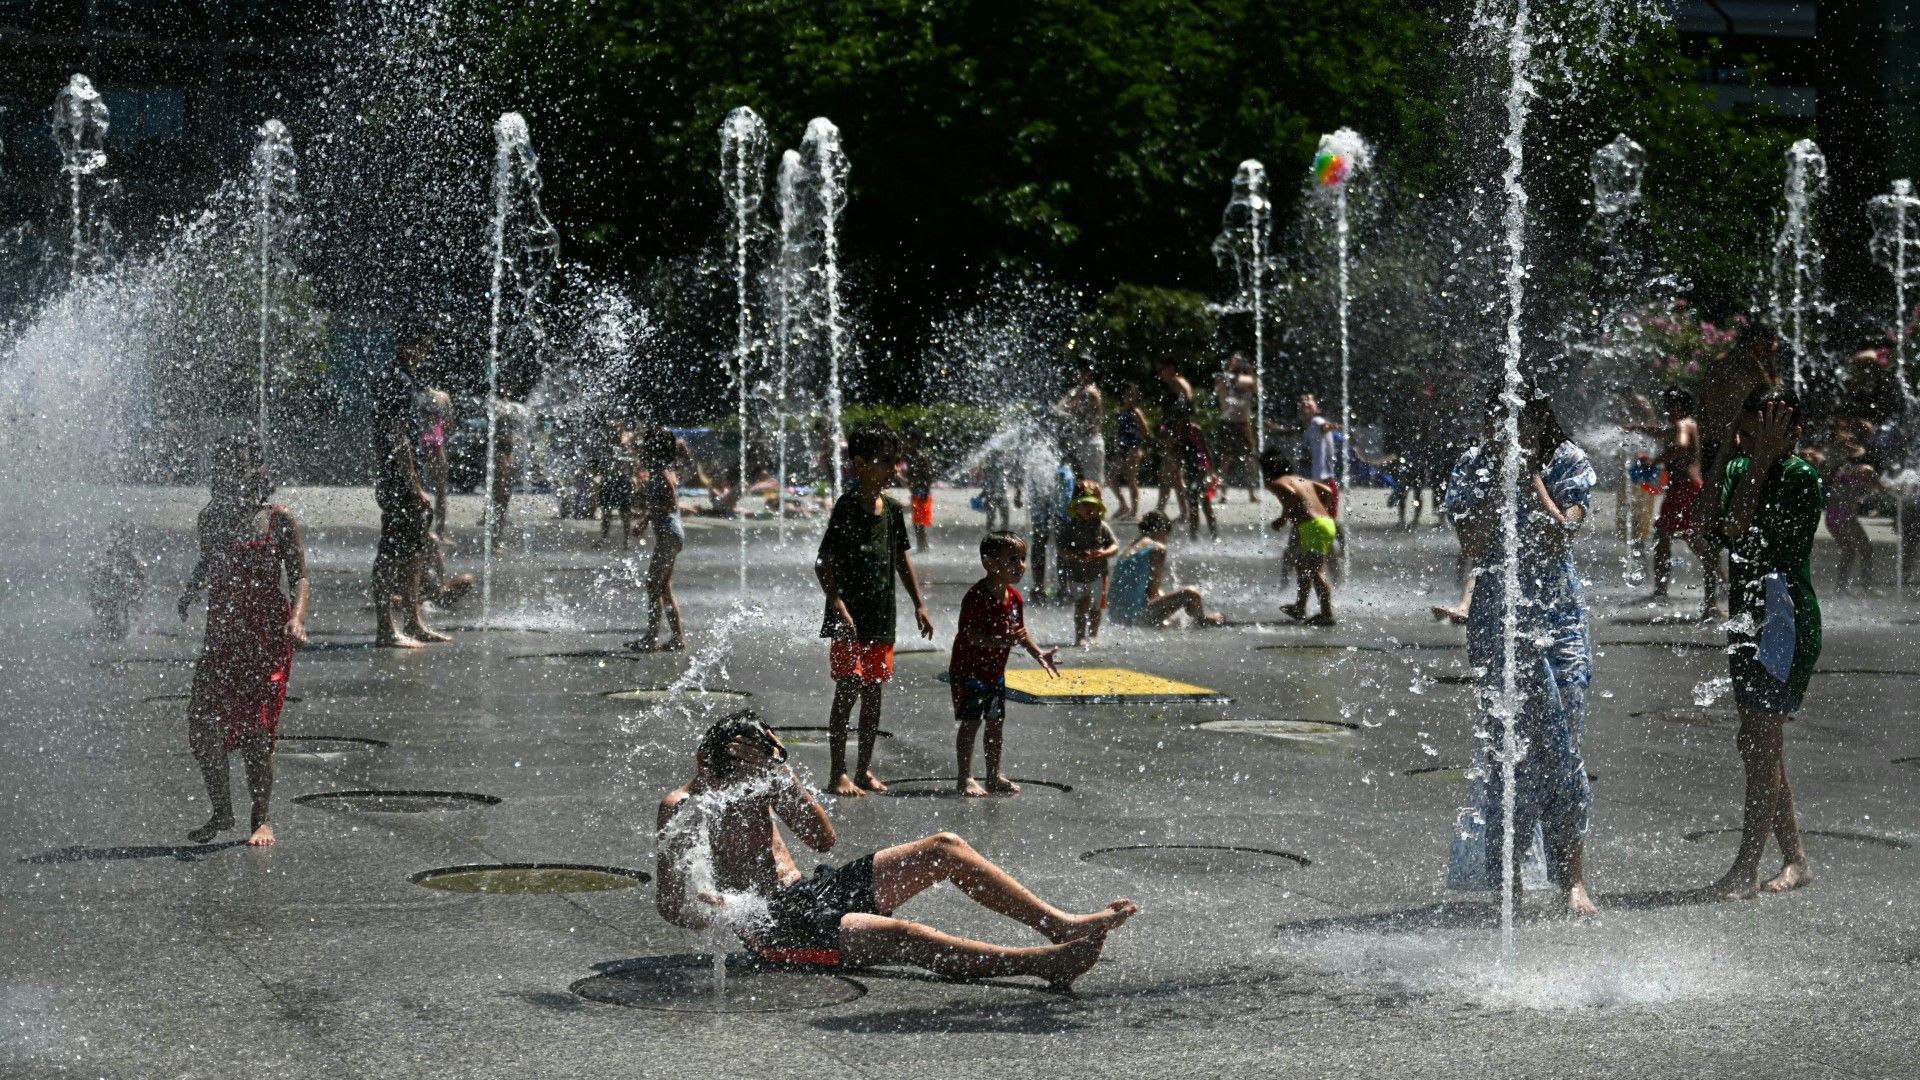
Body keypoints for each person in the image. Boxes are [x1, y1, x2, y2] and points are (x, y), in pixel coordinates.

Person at [656, 716, 1135, 988]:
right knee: (908, 935)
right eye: (747, 771)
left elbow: (823, 841)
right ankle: (1044, 962)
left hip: (809, 894)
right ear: (711, 763)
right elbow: (672, 906)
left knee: (945, 847)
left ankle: (1059, 924)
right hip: (776, 929)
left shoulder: (765, 780)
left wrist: (782, 776)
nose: (753, 782)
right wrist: (727, 911)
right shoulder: (683, 807)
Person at [1444, 392, 1599, 916]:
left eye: (1522, 421)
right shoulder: (1470, 467)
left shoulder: (1568, 461)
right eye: (1500, 421)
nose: (1511, 431)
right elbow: (1473, 543)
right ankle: (1506, 876)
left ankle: (1572, 878)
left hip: (1559, 620)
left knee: (1565, 744)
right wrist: (1502, 480)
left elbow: (1562, 537)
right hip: (1498, 620)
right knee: (1509, 745)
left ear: (1540, 422)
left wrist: (1530, 478)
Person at [1701, 385, 1824, 901]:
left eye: (1762, 434)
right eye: (1746, 432)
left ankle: (1748, 866)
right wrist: (1728, 452)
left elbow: (1736, 524)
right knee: (1756, 741)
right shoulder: (1737, 466)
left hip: (1783, 620)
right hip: (1748, 614)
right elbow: (1706, 525)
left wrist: (1754, 465)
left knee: (1761, 740)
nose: (1751, 443)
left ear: (1792, 434)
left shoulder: (1800, 478)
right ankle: (1796, 858)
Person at [178, 433, 310, 848]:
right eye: (225, 466)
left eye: (242, 465)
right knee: (202, 725)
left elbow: (301, 575)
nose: (233, 474)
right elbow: (209, 557)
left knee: (257, 732)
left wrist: (297, 620)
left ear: (259, 472)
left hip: (267, 638)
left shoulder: (278, 519)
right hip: (222, 637)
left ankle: (261, 819)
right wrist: (191, 588)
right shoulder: (210, 518)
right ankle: (221, 810)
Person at [816, 425, 934, 796]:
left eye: (894, 462)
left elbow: (901, 560)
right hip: (849, 619)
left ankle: (864, 769)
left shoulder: (894, 511)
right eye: (885, 462)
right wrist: (835, 601)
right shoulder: (847, 507)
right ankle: (838, 773)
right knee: (848, 691)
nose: (893, 471)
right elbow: (823, 561)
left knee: (873, 694)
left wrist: (919, 603)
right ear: (860, 464)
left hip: (882, 618)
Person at [949, 533, 1061, 795]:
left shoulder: (1015, 599)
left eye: (1023, 559)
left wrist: (1038, 653)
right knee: (971, 722)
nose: (1021, 565)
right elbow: (970, 635)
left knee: (996, 722)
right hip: (969, 672)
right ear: (989, 563)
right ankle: (965, 778)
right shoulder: (976, 597)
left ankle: (994, 775)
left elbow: (1020, 631)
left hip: (994, 673)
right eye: (1013, 559)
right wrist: (999, 642)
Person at [370, 329, 447, 648]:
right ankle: (386, 629)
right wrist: (414, 484)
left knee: (414, 552)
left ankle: (413, 622)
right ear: (405, 343)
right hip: (400, 481)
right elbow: (396, 434)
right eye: (420, 345)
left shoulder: (406, 379)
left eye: (426, 347)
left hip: (404, 478)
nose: (423, 353)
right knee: (391, 553)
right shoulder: (396, 381)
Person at [1629, 386, 1722, 618]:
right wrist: (1637, 428)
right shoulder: (1685, 424)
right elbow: (1662, 433)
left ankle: (1711, 600)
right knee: (1671, 539)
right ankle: (1702, 596)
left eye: (1670, 406)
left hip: (1687, 490)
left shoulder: (1685, 423)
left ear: (1680, 406)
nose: (1667, 411)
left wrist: (1654, 462)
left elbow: (1679, 445)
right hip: (1682, 490)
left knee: (1692, 542)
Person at [1108, 511, 1224, 628]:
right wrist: (1169, 618)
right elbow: (1153, 593)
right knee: (1191, 593)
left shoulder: (1129, 548)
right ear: (1163, 529)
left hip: (1116, 617)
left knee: (1164, 595)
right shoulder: (1157, 548)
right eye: (1167, 534)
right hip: (1135, 618)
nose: (1166, 539)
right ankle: (1203, 620)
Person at [1262, 451, 1337, 626]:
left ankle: (1326, 614)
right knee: (1302, 565)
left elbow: (1293, 496)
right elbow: (1327, 491)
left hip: (1313, 527)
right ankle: (1299, 607)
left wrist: (1283, 518)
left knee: (1316, 570)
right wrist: (1318, 509)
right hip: (1325, 523)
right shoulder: (1300, 479)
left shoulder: (1276, 483)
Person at [629, 427, 685, 652]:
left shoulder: (662, 472)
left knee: (653, 585)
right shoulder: (663, 470)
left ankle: (651, 638)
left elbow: (670, 501)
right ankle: (677, 639)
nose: (642, 448)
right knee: (663, 588)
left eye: (646, 445)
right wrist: (645, 520)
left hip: (669, 535)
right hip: (672, 533)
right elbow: (664, 504)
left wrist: (650, 510)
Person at [1057, 485, 1120, 646]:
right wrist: (1076, 555)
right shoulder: (1070, 528)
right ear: (1076, 507)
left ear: (1099, 507)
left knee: (1096, 607)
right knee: (1081, 603)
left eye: (1093, 505)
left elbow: (1115, 546)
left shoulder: (1102, 527)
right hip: (1076, 574)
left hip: (1099, 573)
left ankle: (1093, 635)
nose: (1089, 508)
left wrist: (1103, 553)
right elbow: (1061, 550)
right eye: (1084, 505)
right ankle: (1079, 636)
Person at [1821, 438, 1879, 590]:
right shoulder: (1866, 469)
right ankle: (1867, 587)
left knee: (1849, 551)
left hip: (1832, 517)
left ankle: (1840, 588)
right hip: (1846, 517)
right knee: (1866, 549)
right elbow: (1882, 488)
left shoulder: (1842, 469)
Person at [1162, 395, 1218, 540]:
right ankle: (1193, 536)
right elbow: (1175, 453)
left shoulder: (1195, 430)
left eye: (1184, 418)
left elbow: (1206, 450)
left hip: (1201, 469)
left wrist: (1212, 471)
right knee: (1192, 504)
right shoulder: (1176, 433)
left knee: (1204, 503)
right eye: (1179, 418)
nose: (1182, 421)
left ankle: (1214, 535)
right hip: (1189, 470)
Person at [88, 521, 148, 641]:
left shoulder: (132, 560)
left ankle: (118, 620)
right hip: (113, 593)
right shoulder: (105, 559)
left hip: (118, 593)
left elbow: (141, 582)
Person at [1214, 354, 1260, 503]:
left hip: (1243, 423)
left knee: (1249, 459)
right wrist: (1230, 372)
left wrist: (1250, 371)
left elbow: (1257, 389)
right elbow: (1218, 388)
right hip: (1228, 422)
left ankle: (1252, 493)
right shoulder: (1224, 378)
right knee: (1225, 460)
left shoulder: (1247, 381)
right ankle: (1223, 494)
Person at [1152, 359, 1194, 520]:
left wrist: (1177, 437)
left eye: (1161, 369)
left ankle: (1160, 510)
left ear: (1170, 367)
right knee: (1176, 477)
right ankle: (1185, 513)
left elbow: (1187, 411)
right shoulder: (1176, 385)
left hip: (1179, 436)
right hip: (1176, 435)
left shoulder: (1180, 385)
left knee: (1165, 473)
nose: (1159, 374)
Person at [1054, 365, 1106, 485]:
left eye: (1082, 372)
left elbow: (1071, 409)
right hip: (1079, 441)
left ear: (1089, 374)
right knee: (1079, 483)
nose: (1078, 374)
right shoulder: (1074, 391)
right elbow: (1059, 408)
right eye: (1078, 371)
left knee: (1092, 484)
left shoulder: (1091, 392)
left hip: (1091, 442)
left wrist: (1060, 409)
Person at [1110, 383, 1149, 521]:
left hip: (1133, 449)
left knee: (1131, 480)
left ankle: (1134, 511)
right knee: (1111, 477)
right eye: (1127, 395)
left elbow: (1145, 431)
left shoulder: (1136, 412)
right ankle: (1123, 504)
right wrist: (1117, 446)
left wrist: (1136, 446)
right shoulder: (1120, 412)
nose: (1129, 398)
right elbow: (1118, 431)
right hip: (1122, 449)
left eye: (1132, 395)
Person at [598, 418, 638, 550]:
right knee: (606, 511)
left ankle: (627, 540)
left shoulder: (629, 438)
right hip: (609, 479)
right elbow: (605, 460)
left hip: (624, 480)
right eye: (610, 429)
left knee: (625, 512)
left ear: (621, 428)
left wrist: (635, 476)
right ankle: (604, 537)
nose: (613, 431)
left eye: (615, 428)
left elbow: (635, 458)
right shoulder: (607, 441)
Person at [905, 441, 936, 553]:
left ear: (914, 443)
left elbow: (929, 475)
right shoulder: (912, 457)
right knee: (917, 523)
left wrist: (926, 491)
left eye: (909, 442)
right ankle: (922, 547)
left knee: (920, 523)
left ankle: (923, 547)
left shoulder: (921, 457)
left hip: (922, 493)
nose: (906, 445)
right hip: (917, 492)